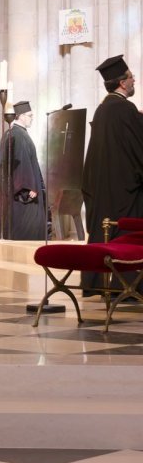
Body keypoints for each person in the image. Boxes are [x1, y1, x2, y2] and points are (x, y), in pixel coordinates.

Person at [81, 55, 143, 293]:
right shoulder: (125, 110)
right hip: (125, 193)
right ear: (122, 83)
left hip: (103, 190)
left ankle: (99, 284)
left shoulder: (103, 110)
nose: (134, 79)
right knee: (126, 238)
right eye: (131, 77)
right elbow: (137, 149)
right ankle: (127, 286)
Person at [0, 101, 46, 240]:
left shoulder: (16, 133)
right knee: (27, 228)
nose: (32, 118)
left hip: (20, 191)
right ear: (20, 116)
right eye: (29, 115)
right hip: (23, 194)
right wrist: (27, 187)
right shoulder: (18, 135)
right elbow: (21, 163)